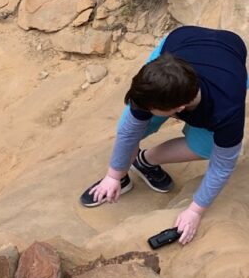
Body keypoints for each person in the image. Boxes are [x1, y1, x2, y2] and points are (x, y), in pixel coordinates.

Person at [80, 24, 247, 244]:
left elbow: (223, 165)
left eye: (152, 109)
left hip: (229, 57)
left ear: (179, 109)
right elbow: (129, 132)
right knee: (134, 123)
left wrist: (195, 211)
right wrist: (114, 175)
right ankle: (123, 177)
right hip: (180, 43)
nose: (143, 110)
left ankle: (145, 162)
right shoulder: (157, 78)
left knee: (207, 147)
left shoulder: (227, 111)